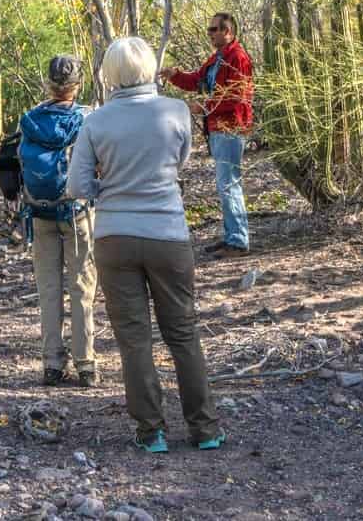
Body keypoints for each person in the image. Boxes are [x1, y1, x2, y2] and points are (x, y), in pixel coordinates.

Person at [69, 36, 223, 454]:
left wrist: (111, 187)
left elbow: (77, 186)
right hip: (168, 234)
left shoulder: (95, 122)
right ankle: (204, 428)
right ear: (151, 68)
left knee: (134, 338)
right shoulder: (174, 111)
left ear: (110, 74)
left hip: (114, 236)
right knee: (183, 332)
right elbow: (182, 160)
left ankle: (150, 431)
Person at [18, 54, 98, 388]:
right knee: (82, 287)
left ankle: (52, 363)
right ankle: (86, 363)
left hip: (39, 211)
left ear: (47, 84)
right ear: (77, 85)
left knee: (49, 289)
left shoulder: (30, 120)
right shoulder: (89, 119)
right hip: (77, 209)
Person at [159, 12, 254, 258]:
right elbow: (196, 81)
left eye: (214, 29)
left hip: (230, 127)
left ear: (228, 32)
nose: (210, 33)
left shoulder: (238, 58)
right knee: (225, 184)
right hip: (218, 127)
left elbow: (237, 97)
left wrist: (205, 106)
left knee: (229, 184)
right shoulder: (217, 59)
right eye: (209, 29)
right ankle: (232, 237)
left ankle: (238, 241)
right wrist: (174, 75)